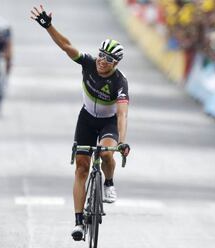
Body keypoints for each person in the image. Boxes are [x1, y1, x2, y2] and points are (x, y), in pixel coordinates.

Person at [30, 5, 131, 241]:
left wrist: (122, 142)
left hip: (108, 122)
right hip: (86, 118)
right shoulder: (88, 63)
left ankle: (109, 182)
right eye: (101, 55)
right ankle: (78, 222)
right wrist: (48, 26)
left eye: (108, 59)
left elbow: (122, 115)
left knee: (107, 154)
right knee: (82, 167)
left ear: (115, 63)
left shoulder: (120, 82)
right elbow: (66, 46)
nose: (101, 61)